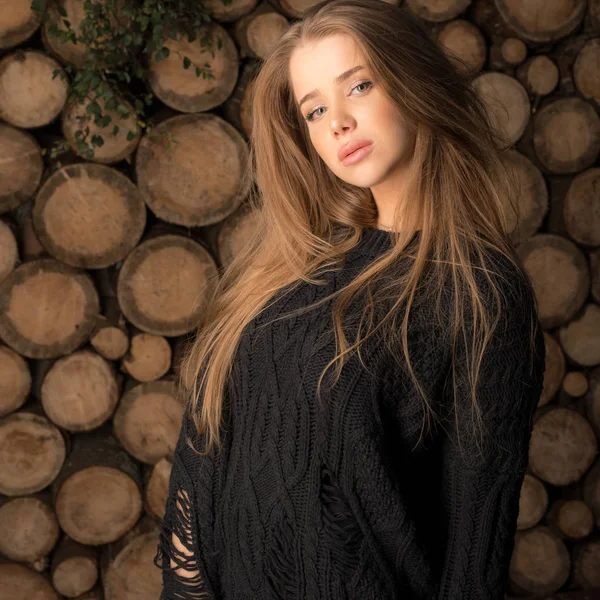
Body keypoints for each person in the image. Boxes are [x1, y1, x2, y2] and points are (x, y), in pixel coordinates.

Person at [153, 0, 546, 598]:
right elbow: (205, 438)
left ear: (414, 80)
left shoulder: (478, 289)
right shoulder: (289, 268)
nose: (335, 122)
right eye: (314, 110)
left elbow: (474, 542)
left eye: (358, 85)